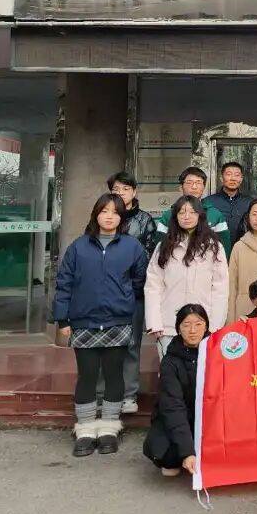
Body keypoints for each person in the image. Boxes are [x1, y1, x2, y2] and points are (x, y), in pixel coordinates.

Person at [53, 193, 148, 457]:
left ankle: (109, 428)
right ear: (96, 214)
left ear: (121, 218)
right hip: (84, 322)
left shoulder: (132, 247)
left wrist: (123, 300)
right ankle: (85, 429)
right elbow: (64, 283)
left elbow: (140, 281)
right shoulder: (78, 247)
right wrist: (62, 319)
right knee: (87, 376)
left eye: (115, 212)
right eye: (104, 211)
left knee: (114, 375)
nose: (109, 216)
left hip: (118, 321)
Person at [145, 196, 228, 358]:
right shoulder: (164, 246)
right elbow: (153, 286)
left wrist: (215, 325)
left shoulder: (213, 247)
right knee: (170, 371)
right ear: (175, 217)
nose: (187, 216)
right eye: (181, 212)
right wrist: (154, 322)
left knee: (202, 371)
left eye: (192, 212)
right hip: (169, 325)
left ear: (200, 216)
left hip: (202, 325)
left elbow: (220, 289)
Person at [107, 171, 156, 415]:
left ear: (134, 192)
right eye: (116, 189)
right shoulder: (103, 217)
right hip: (106, 292)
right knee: (105, 344)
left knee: (131, 344)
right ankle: (107, 393)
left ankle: (128, 394)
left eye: (125, 189)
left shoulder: (145, 220)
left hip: (133, 291)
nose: (121, 193)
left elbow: (149, 256)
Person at [142, 304, 209, 477]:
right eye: (186, 325)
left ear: (206, 327)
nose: (193, 330)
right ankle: (184, 456)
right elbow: (173, 407)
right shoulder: (170, 362)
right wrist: (187, 451)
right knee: (166, 451)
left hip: (210, 419)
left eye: (198, 324)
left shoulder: (217, 352)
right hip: (182, 417)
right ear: (178, 329)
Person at [158, 167, 230, 252]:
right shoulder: (168, 216)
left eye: (198, 183)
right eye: (189, 183)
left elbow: (224, 249)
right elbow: (159, 249)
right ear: (181, 187)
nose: (194, 187)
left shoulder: (215, 215)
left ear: (204, 187)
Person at [204, 161, 251, 251]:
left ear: (241, 179)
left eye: (237, 175)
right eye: (228, 174)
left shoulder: (249, 203)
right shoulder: (208, 202)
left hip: (244, 251)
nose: (233, 178)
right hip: (215, 251)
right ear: (221, 178)